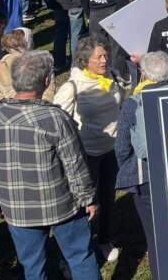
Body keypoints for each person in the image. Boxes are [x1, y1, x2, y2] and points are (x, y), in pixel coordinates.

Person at [0, 51, 100, 280]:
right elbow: (75, 164)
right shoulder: (55, 118)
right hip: (60, 206)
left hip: (16, 208)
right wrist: (87, 198)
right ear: (46, 81)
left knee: (32, 267)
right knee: (80, 257)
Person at [53, 35, 124, 263]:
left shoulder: (112, 76)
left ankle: (104, 240)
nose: (104, 60)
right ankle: (77, 253)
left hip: (112, 150)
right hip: (86, 155)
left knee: (108, 198)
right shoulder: (72, 86)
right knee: (85, 205)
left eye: (105, 55)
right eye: (99, 57)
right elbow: (57, 122)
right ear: (85, 61)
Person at [115, 51, 168, 279]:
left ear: (143, 74)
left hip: (145, 176)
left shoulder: (132, 103)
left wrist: (126, 171)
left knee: (154, 235)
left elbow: (121, 146)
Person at [0, 29, 55, 106]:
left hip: (7, 113)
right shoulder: (42, 64)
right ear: (28, 42)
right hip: (37, 110)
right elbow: (48, 94)